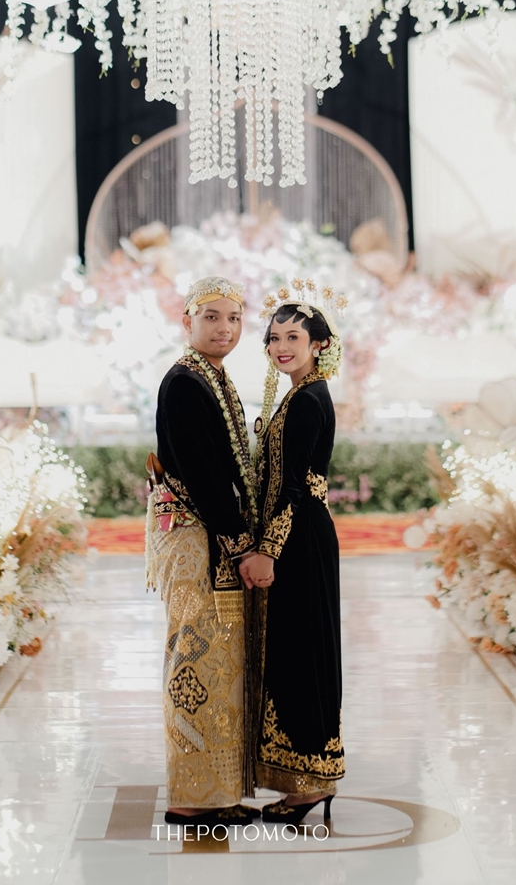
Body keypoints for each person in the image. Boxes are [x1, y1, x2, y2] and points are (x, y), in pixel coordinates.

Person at [146, 276, 258, 828]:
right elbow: (206, 478)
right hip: (196, 539)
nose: (225, 328)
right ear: (187, 320)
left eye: (234, 318)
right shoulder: (186, 384)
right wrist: (242, 544)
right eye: (212, 317)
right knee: (194, 659)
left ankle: (214, 790)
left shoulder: (209, 376)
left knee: (215, 663)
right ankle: (191, 797)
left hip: (204, 535)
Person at [239, 283, 346, 826]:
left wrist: (267, 551)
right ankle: (309, 782)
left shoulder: (306, 400)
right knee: (298, 650)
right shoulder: (304, 392)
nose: (281, 347)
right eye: (274, 338)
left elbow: (293, 488)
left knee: (300, 651)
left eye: (293, 338)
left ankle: (307, 784)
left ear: (319, 344)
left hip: (299, 539)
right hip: (303, 535)